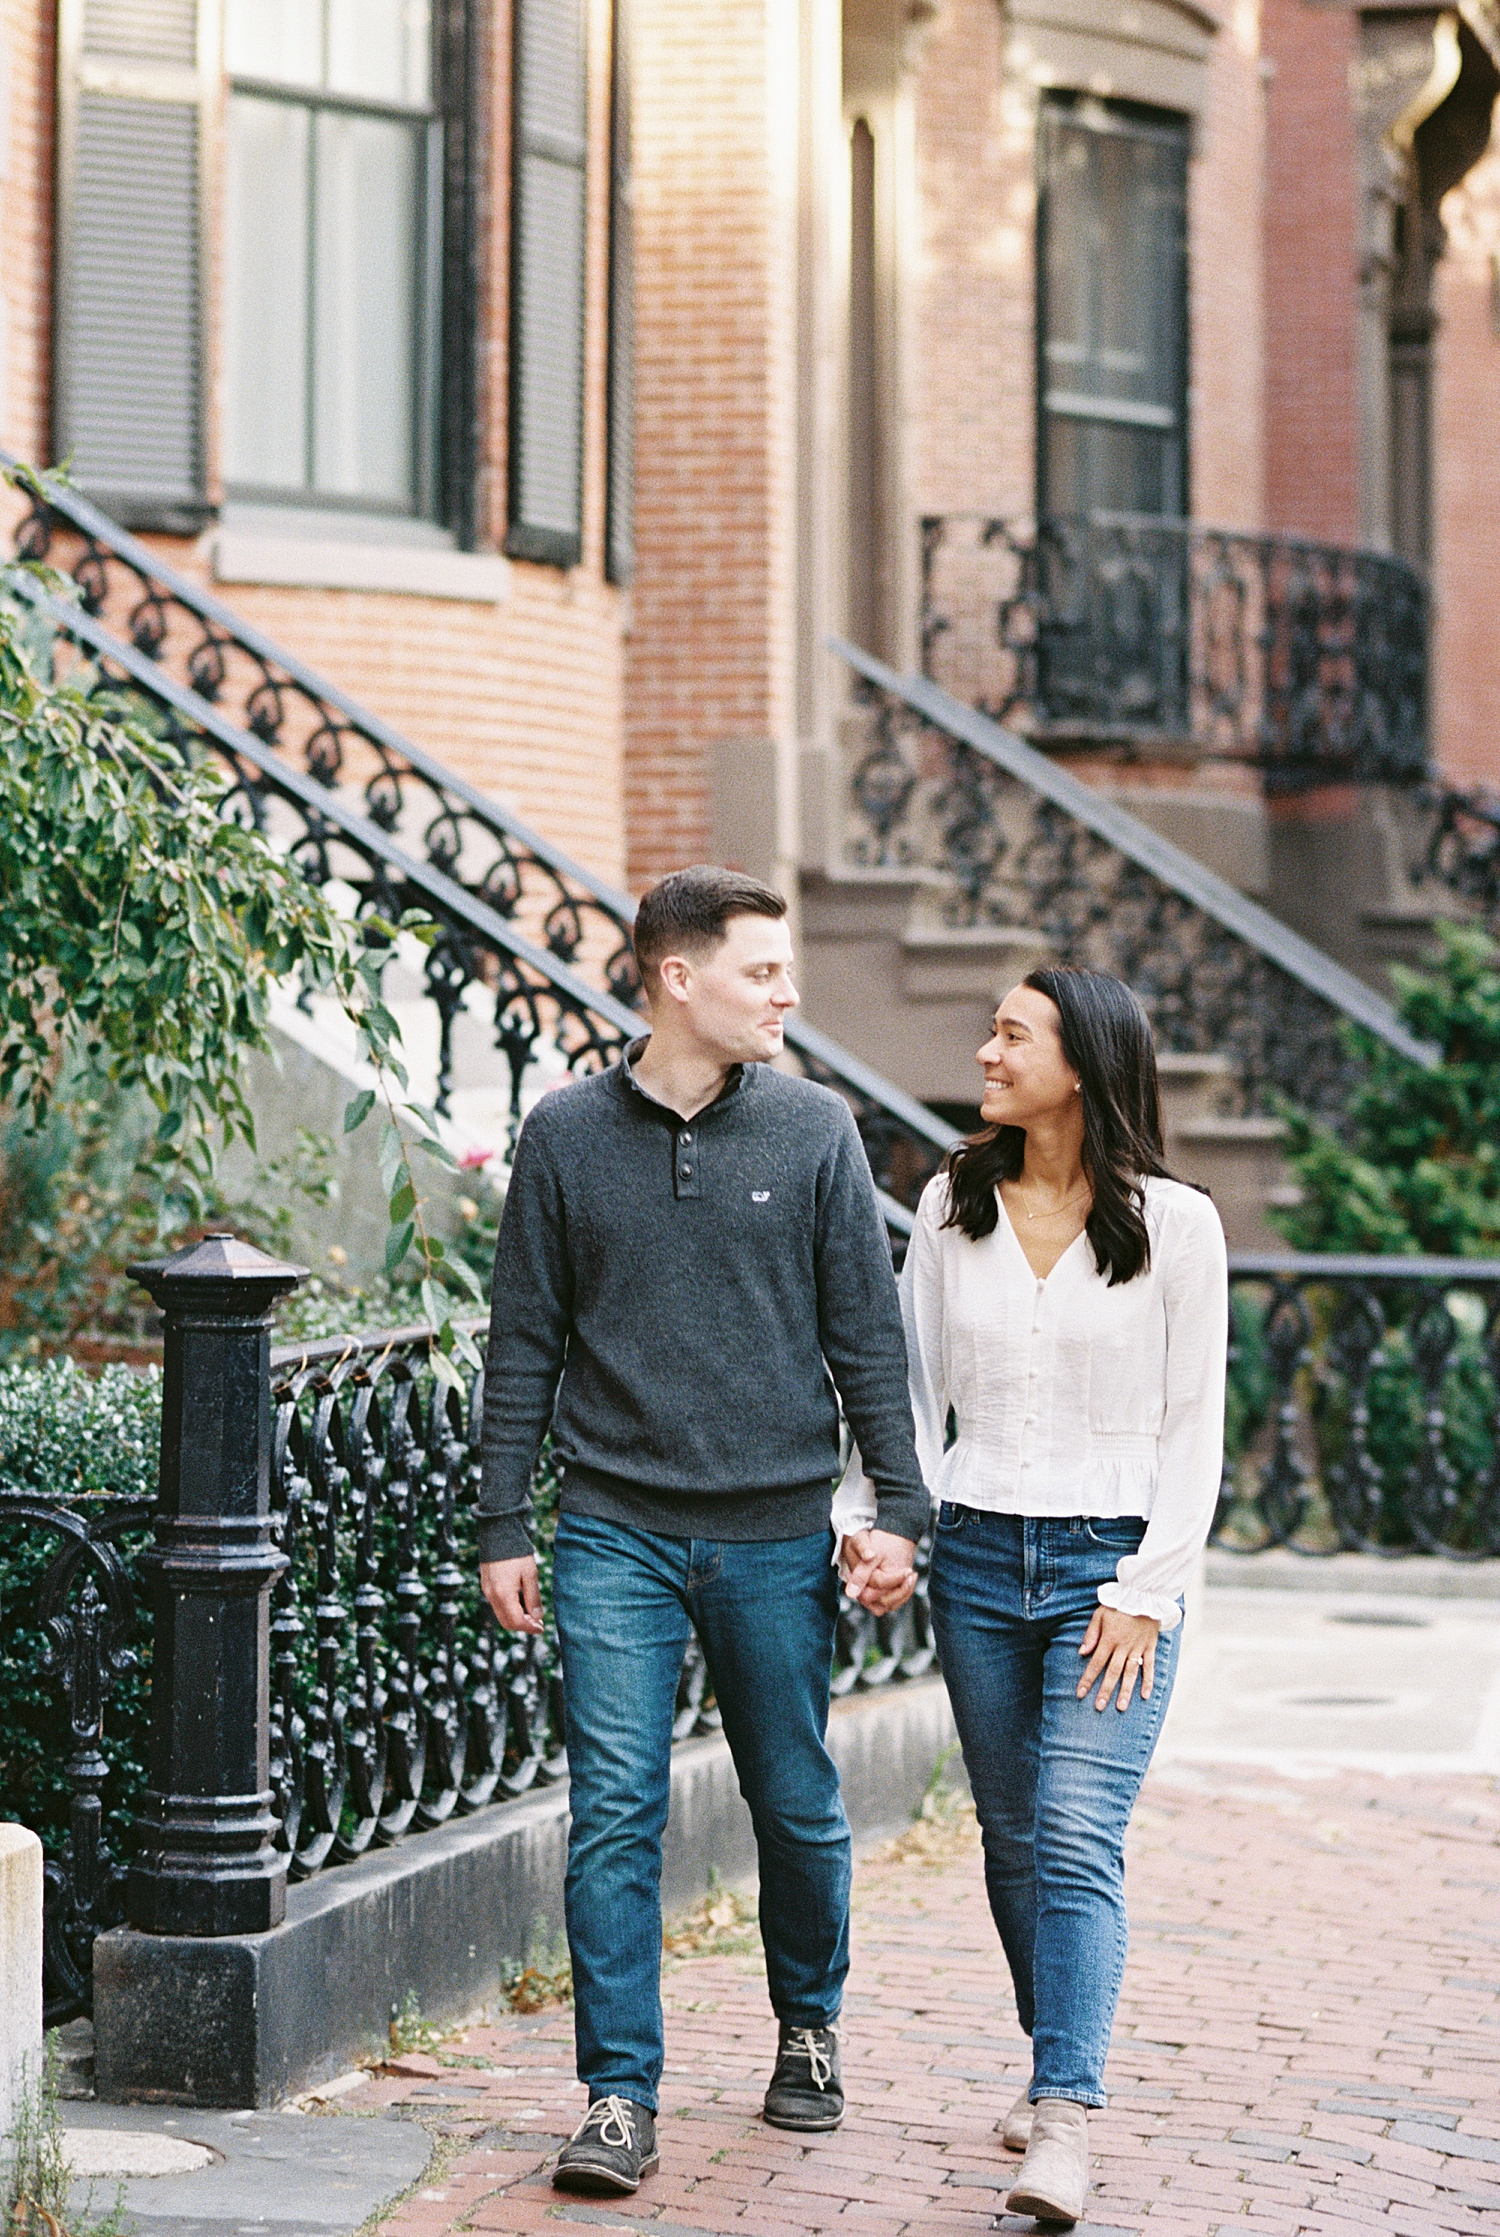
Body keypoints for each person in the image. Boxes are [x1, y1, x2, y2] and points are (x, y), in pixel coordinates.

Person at [477, 864, 925, 2200]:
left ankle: (808, 2024)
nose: (789, 991)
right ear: (679, 977)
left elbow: (866, 1332)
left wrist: (898, 1509)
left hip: (779, 1530)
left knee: (794, 1797)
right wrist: (506, 1518)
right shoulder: (564, 1135)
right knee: (614, 1811)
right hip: (614, 1524)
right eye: (763, 969)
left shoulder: (817, 1133)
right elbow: (523, 1345)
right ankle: (620, 2096)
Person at [835, 965, 1227, 2228]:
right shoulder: (954, 1203)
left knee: (1073, 1828)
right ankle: (1049, 2052)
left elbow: (1192, 1429)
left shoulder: (1178, 1224)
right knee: (1013, 1835)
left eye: (1012, 1033)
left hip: (1112, 1568)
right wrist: (881, 1520)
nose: (986, 1049)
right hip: (981, 1553)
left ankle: (1065, 2116)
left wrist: (1146, 1588)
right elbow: (907, 1386)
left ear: (1083, 1063)